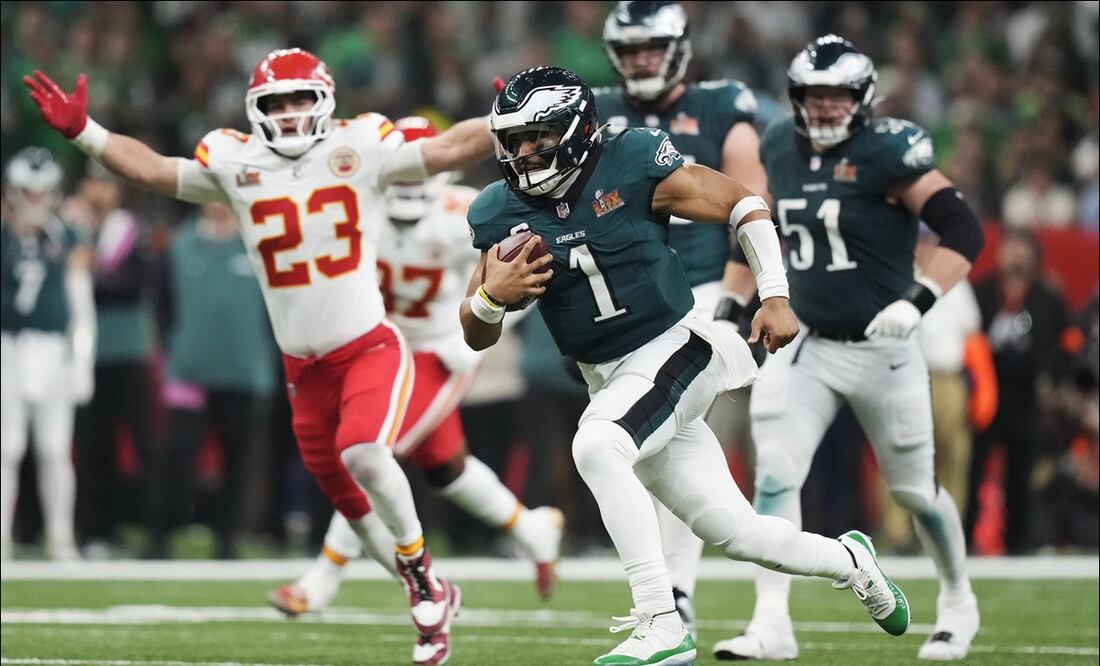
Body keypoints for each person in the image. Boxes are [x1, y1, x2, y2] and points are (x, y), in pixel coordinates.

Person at [25, 48, 494, 666]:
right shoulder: (235, 158)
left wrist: (509, 117)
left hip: (368, 348)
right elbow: (155, 171)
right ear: (256, 110)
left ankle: (422, 581)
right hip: (301, 372)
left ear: (325, 102)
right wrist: (87, 133)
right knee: (352, 508)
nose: (292, 112)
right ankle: (427, 587)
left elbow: (445, 151)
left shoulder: (359, 146)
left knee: (365, 455)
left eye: (302, 99)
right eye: (278, 102)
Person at [462, 65, 911, 666]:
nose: (524, 152)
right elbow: (474, 334)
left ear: (575, 129)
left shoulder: (631, 161)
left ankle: (660, 619)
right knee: (737, 533)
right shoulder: (498, 211)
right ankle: (852, 562)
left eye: (538, 136)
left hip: (677, 346)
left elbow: (744, 203)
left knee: (597, 445)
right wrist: (492, 297)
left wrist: (774, 293)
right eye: (513, 140)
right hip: (613, 376)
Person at [710, 36, 986, 662]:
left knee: (915, 491)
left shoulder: (891, 148)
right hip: (807, 343)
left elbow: (962, 229)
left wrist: (916, 300)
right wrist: (730, 303)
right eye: (814, 96)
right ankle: (770, 624)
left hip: (883, 348)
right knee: (777, 475)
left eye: (837, 96)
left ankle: (957, 597)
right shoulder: (780, 141)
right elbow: (757, 227)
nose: (826, 108)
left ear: (861, 99)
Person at [268, 117, 564, 617]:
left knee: (371, 453)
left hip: (440, 349)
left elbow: (530, 276)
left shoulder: (460, 213)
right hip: (379, 346)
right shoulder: (358, 206)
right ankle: (532, 528)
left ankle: (324, 576)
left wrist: (479, 329)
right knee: (446, 466)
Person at [596, 1, 767, 631]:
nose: (641, 59)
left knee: (686, 445)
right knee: (651, 452)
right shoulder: (593, 110)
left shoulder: (725, 106)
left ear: (678, 48)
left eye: (651, 47)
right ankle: (676, 594)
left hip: (703, 289)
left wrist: (735, 291)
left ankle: (685, 595)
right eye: (632, 49)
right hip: (632, 305)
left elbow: (752, 194)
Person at [147, 200, 278, 560]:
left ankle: (228, 537)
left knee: (240, 459)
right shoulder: (179, 244)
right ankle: (161, 533)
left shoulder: (260, 245)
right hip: (189, 371)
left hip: (245, 370)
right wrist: (174, 348)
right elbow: (162, 304)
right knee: (176, 455)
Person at [1, 146, 95, 561]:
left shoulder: (69, 236)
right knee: (7, 447)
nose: (35, 200)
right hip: (8, 345)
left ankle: (61, 537)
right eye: (28, 191)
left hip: (54, 348)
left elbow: (81, 302)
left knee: (55, 449)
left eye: (42, 192)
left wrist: (82, 359)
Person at [64, 164, 158, 558]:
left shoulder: (130, 231)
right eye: (92, 184)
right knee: (93, 446)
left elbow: (134, 284)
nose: (99, 192)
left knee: (143, 443)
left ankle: (156, 531)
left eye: (106, 184)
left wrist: (93, 275)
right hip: (85, 354)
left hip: (128, 351)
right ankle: (95, 530)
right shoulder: (72, 228)